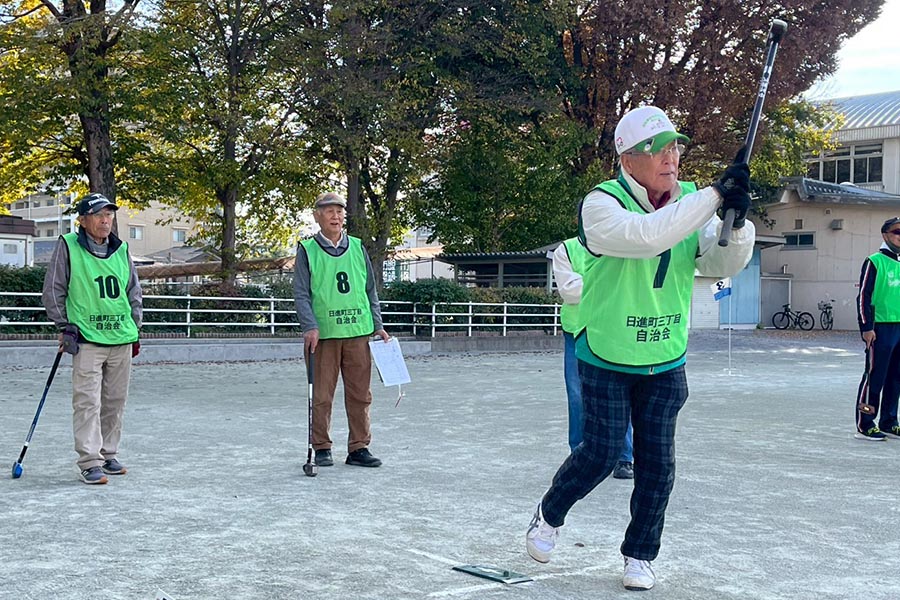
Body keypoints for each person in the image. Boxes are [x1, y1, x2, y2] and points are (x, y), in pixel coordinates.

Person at [526, 106, 755, 591]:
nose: (671, 157)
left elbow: (717, 264)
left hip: (665, 354)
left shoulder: (693, 202)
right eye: (658, 148)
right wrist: (716, 194)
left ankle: (640, 553)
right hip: (606, 350)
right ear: (628, 158)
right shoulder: (600, 204)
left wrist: (735, 222)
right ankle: (550, 512)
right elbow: (648, 237)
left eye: (675, 146)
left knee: (658, 464)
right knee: (601, 453)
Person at [42, 193, 142, 485]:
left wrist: (135, 328)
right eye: (98, 215)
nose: (105, 220)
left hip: (121, 337)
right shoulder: (68, 246)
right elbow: (54, 289)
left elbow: (133, 293)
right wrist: (64, 325)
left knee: (115, 401)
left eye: (109, 214)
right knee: (87, 402)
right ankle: (89, 460)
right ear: (83, 221)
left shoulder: (122, 249)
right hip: (86, 338)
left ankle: (108, 454)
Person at [294, 192, 390, 468]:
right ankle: (322, 446)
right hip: (323, 336)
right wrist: (309, 325)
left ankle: (359, 447)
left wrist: (378, 325)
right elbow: (301, 293)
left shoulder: (358, 248)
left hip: (358, 332)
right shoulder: (307, 250)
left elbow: (370, 290)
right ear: (317, 216)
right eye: (328, 212)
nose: (335, 217)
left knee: (361, 394)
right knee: (322, 394)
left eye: (339, 212)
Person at [553, 238, 634, 479]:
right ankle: (578, 453)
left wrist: (590, 282)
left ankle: (624, 457)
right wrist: (609, 283)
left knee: (621, 393)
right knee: (577, 394)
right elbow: (570, 291)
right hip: (577, 329)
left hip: (615, 328)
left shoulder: (622, 243)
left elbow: (627, 286)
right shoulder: (566, 249)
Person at [854, 216, 900, 441]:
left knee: (896, 377)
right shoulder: (874, 261)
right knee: (875, 377)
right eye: (897, 232)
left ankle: (889, 422)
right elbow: (863, 296)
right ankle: (865, 423)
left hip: (899, 326)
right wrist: (866, 327)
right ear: (885, 235)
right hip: (880, 328)